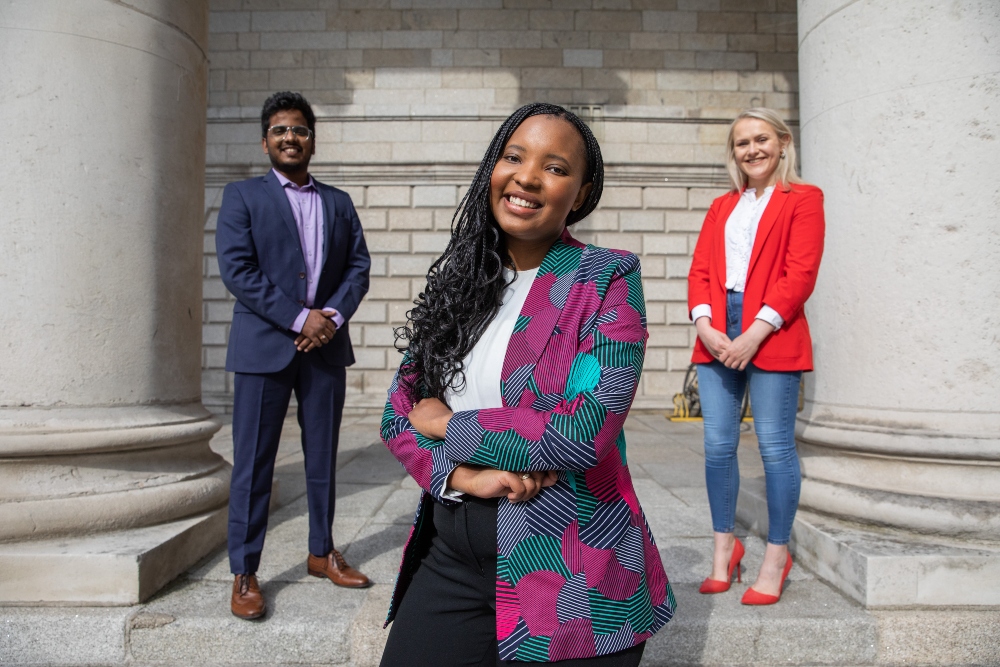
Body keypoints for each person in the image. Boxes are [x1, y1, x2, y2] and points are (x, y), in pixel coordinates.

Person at [379, 103, 674, 666]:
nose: (528, 177)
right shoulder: (460, 282)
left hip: (571, 572)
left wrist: (448, 426)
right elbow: (398, 414)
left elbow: (583, 430)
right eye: (514, 157)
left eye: (555, 167)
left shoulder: (606, 279)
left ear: (582, 193)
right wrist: (463, 474)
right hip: (452, 559)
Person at [216, 91, 372, 620]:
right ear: (266, 141)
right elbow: (239, 271)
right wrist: (296, 317)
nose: (291, 137)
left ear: (312, 139)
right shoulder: (242, 197)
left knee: (323, 460)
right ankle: (244, 571)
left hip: (324, 350)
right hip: (263, 348)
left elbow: (358, 268)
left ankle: (321, 552)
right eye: (280, 130)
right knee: (254, 464)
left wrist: (328, 318)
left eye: (300, 129)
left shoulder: (339, 202)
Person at [687, 108, 825, 605]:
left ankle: (776, 554)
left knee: (773, 447)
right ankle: (725, 549)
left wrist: (754, 333)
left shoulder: (805, 199)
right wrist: (706, 325)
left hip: (773, 330)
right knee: (718, 446)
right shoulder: (722, 206)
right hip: (717, 328)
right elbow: (701, 269)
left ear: (783, 142)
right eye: (742, 143)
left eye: (761, 139)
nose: (752, 150)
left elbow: (800, 274)